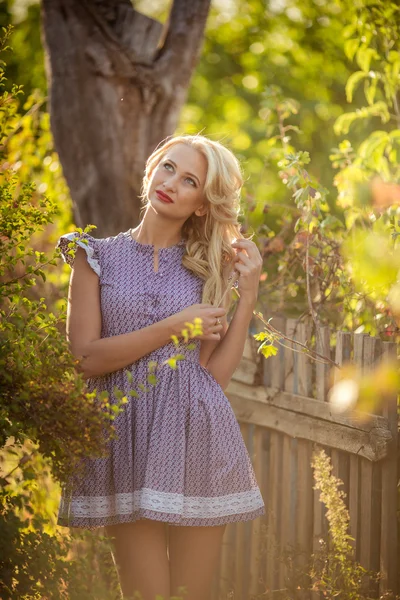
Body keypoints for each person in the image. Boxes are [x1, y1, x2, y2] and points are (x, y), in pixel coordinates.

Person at [56, 134, 266, 600]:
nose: (171, 182)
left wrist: (247, 296)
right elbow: (85, 358)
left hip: (198, 439)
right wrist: (174, 327)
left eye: (189, 180)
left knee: (193, 593)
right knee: (145, 593)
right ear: (151, 169)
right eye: (168, 167)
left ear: (201, 205)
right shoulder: (94, 256)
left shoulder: (208, 268)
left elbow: (211, 380)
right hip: (123, 440)